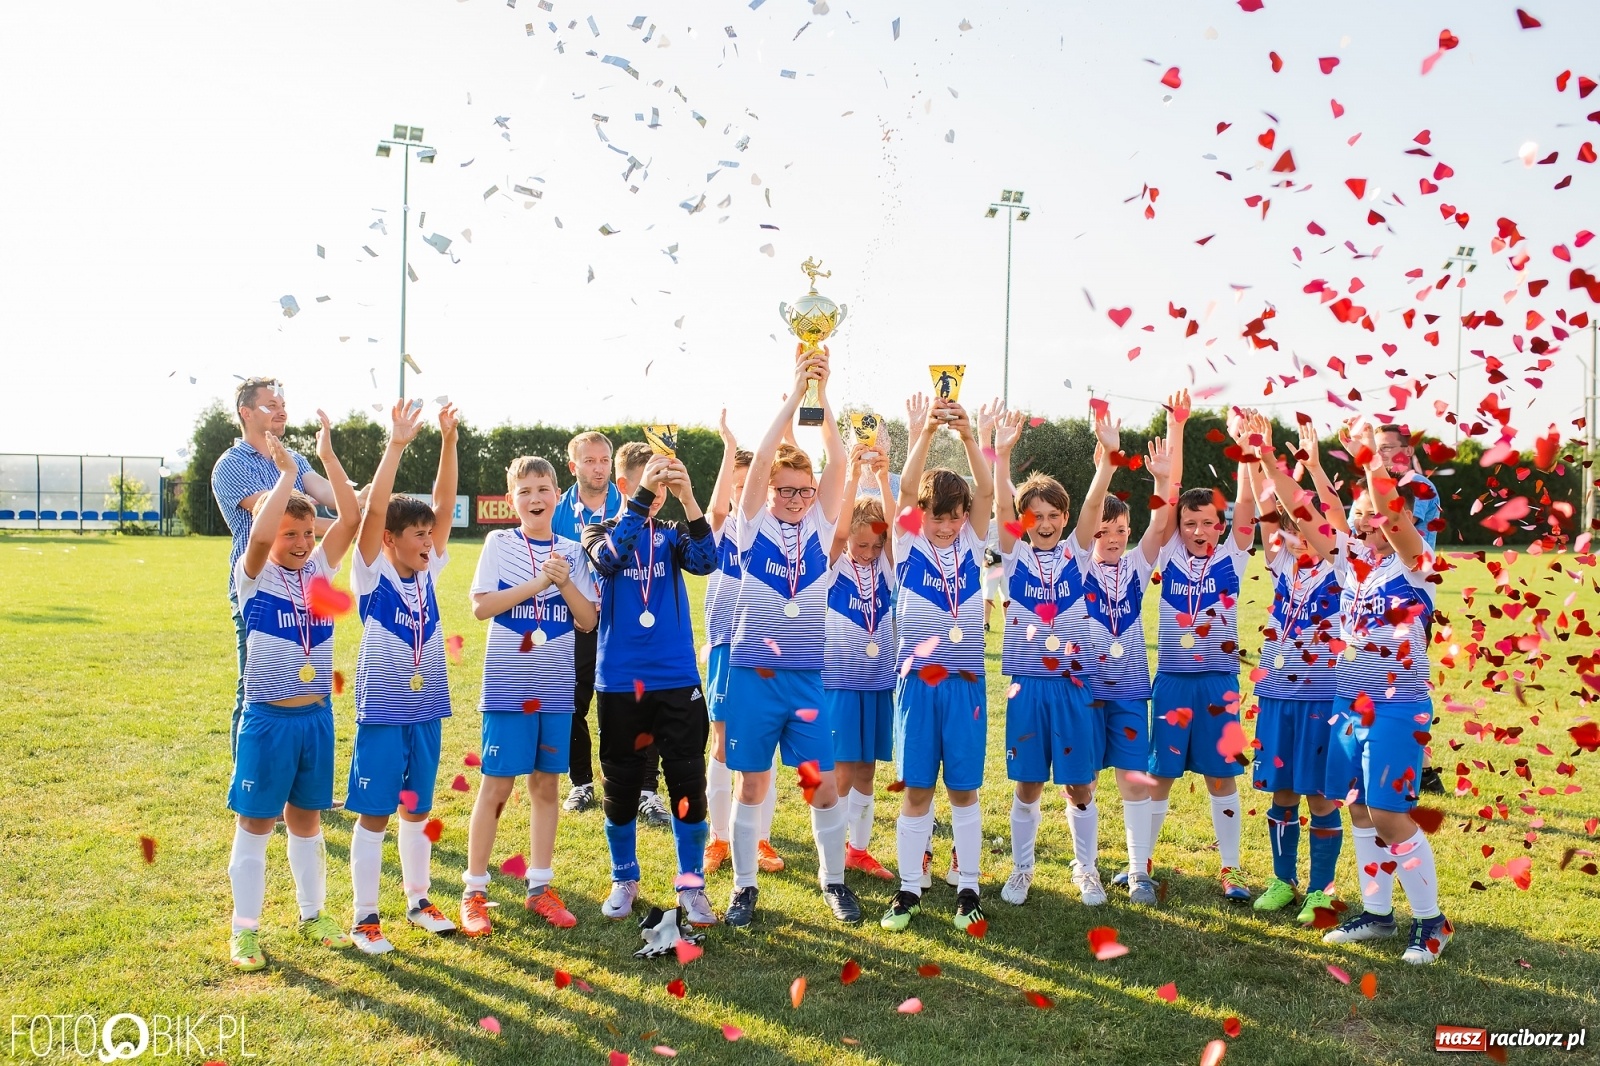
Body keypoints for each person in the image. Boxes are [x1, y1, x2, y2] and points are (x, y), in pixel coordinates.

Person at [1275, 420, 1452, 964]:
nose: (1359, 526)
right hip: (1349, 703)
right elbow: (1305, 508)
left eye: (1368, 519)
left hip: (1398, 704)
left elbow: (1393, 513)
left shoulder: (1414, 561)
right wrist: (1273, 460)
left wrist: (1372, 459)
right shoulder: (1350, 567)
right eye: (1354, 520)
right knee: (1357, 808)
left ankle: (1432, 921)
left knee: (1389, 811)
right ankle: (1377, 913)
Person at [722, 349, 859, 928]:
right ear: (769, 489)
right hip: (754, 676)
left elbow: (839, 458)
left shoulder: (822, 526)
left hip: (806, 678)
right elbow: (757, 470)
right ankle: (744, 888)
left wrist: (821, 397)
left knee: (821, 785)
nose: (798, 499)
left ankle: (833, 883)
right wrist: (790, 394)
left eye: (804, 490)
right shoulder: (750, 524)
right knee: (752, 784)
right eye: (787, 490)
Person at [225, 414, 360, 970]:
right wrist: (285, 475)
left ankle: (312, 915)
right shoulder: (252, 572)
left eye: (308, 534)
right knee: (257, 823)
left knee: (307, 821)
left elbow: (351, 516)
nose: (303, 543)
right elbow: (258, 532)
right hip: (268, 719)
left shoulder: (320, 572)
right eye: (292, 534)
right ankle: (245, 931)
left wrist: (325, 457)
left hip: (316, 718)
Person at [459, 456, 600, 936]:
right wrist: (540, 582)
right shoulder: (499, 543)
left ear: (557, 494)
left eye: (543, 489)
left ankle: (539, 887)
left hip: (556, 688)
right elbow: (482, 608)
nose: (535, 499)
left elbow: (588, 620)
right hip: (508, 687)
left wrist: (563, 583)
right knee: (496, 787)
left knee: (545, 786)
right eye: (525, 491)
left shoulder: (573, 551)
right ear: (512, 499)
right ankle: (475, 890)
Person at [581, 441, 719, 927]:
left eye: (661, 486)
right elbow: (610, 559)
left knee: (687, 781)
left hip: (676, 677)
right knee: (620, 784)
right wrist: (643, 497)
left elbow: (706, 561)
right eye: (648, 485)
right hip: (620, 681)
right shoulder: (598, 529)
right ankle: (624, 877)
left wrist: (688, 500)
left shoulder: (673, 534)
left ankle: (691, 884)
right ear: (624, 486)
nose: (656, 495)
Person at [344, 400, 461, 953]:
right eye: (415, 533)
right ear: (391, 539)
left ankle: (418, 900)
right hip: (385, 713)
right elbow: (370, 518)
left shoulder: (428, 571)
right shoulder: (372, 574)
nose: (426, 540)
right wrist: (395, 446)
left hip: (427, 708)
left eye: (429, 533)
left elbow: (442, 502)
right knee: (375, 814)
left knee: (417, 807)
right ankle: (366, 917)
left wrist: (449, 443)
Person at [879, 390, 995, 933]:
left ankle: (968, 885)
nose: (945, 526)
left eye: (954, 517)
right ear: (921, 516)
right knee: (918, 787)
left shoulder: (973, 545)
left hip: (966, 683)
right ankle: (908, 890)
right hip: (917, 685)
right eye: (937, 517)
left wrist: (970, 437)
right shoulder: (908, 545)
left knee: (964, 788)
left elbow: (988, 488)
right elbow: (905, 486)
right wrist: (925, 431)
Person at [991, 406, 1107, 908]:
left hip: (1073, 685)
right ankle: (1022, 870)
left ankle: (1087, 868)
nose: (1045, 523)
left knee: (1080, 783)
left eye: (1053, 516)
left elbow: (1092, 512)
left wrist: (1106, 464)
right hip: (1027, 685)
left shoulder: (1078, 554)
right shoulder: (1012, 555)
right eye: (1035, 516)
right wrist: (1001, 456)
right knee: (1029, 783)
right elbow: (998, 510)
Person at [1147, 406, 1259, 903]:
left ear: (1221, 525)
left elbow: (1249, 507)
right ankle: (1141, 862)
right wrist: (1177, 426)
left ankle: (1231, 869)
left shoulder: (1234, 553)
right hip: (1172, 679)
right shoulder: (1168, 549)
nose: (1197, 530)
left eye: (1208, 523)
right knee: (1160, 777)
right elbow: (1167, 498)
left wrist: (1248, 450)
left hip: (1218, 682)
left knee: (1222, 776)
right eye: (1189, 522)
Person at [1077, 399, 1182, 907]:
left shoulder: (1138, 566)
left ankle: (1139, 871)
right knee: (1083, 784)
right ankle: (1087, 867)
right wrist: (1108, 461)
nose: (1115, 537)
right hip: (1085, 690)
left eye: (1122, 530)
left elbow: (1160, 528)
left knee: (1133, 780)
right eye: (1106, 530)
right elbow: (1090, 512)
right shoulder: (1075, 566)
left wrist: (1163, 481)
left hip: (1129, 690)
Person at [1245, 413, 1347, 925]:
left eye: (1307, 530)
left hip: (1324, 694)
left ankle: (1321, 890)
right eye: (1292, 531)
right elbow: (1268, 511)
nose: (1299, 537)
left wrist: (1312, 467)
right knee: (1282, 790)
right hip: (1278, 693)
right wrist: (1252, 453)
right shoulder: (1284, 563)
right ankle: (1283, 881)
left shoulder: (1341, 565)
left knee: (1320, 793)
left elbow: (1322, 511)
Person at [211, 377, 339, 757]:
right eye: (269, 404)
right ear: (246, 413)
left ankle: (296, 791)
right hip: (258, 586)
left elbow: (330, 495)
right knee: (255, 684)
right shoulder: (231, 464)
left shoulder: (295, 460)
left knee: (302, 685)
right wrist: (346, 526)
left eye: (282, 402)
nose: (280, 409)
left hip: (303, 584)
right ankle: (247, 779)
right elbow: (281, 519)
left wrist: (361, 500)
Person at [551, 431, 661, 818]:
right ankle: (580, 783)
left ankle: (648, 789)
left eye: (603, 460)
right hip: (574, 622)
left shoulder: (630, 501)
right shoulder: (556, 510)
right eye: (589, 460)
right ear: (574, 465)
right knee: (571, 706)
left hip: (625, 619)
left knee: (641, 703)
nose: (597, 467)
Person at [825, 441, 898, 882]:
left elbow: (898, 532)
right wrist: (854, 476)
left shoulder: (888, 564)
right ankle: (831, 849)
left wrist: (883, 476)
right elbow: (837, 532)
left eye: (876, 545)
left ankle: (859, 849)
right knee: (842, 769)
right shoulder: (834, 563)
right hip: (839, 680)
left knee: (867, 768)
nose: (869, 552)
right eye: (862, 544)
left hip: (878, 680)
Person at [702, 413, 760, 873]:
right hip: (725, 643)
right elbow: (718, 509)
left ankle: (758, 838)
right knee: (721, 744)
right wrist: (728, 448)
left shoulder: (771, 527)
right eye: (735, 485)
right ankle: (718, 837)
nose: (741, 494)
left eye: (748, 485)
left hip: (765, 647)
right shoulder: (717, 529)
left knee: (761, 745)